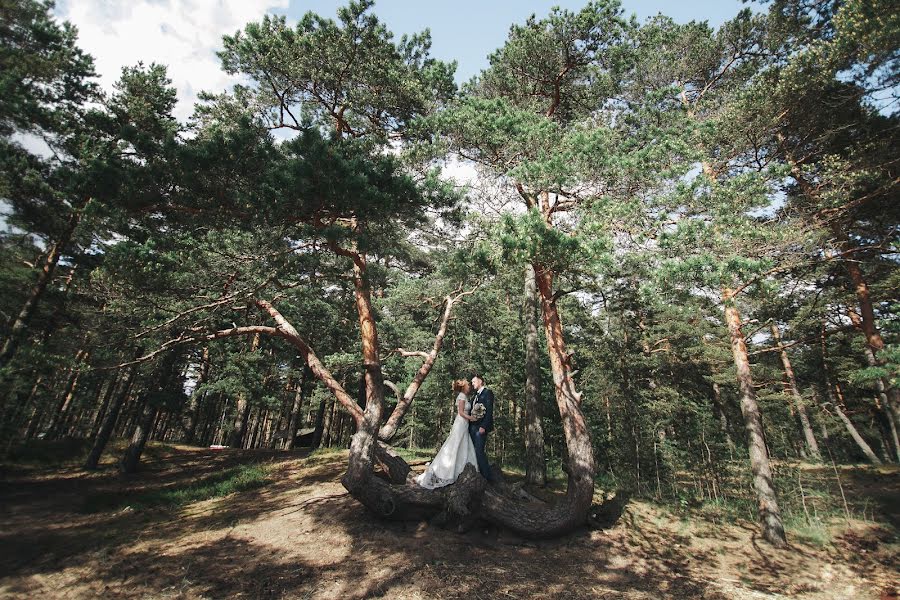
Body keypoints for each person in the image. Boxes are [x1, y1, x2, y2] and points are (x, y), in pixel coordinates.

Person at [415, 379, 479, 489]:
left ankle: (462, 468)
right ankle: (448, 471)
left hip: (464, 423)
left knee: (463, 444)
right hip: (461, 423)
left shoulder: (464, 396)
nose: (469, 387)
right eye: (468, 385)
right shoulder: (462, 397)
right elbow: (461, 412)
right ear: (464, 387)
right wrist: (471, 418)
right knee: (455, 444)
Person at [468, 373, 495, 482]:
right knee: (473, 451)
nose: (472, 384)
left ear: (480, 381)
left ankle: (487, 477)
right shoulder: (475, 396)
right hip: (472, 427)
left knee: (479, 451)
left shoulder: (488, 393)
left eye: (474, 381)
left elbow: (489, 411)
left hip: (480, 428)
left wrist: (484, 426)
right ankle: (477, 473)